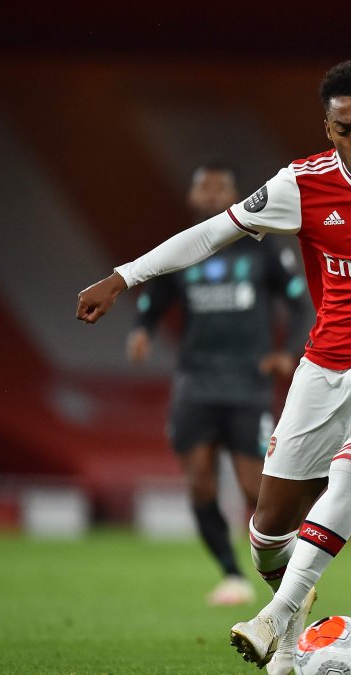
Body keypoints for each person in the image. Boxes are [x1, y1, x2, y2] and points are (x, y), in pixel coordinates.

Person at [76, 60, 351, 675]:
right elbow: (209, 235)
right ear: (328, 129)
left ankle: (276, 616)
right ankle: (292, 614)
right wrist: (124, 277)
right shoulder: (300, 185)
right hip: (327, 365)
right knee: (267, 533)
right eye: (343, 130)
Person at [127, 160, 311, 607]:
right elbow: (154, 296)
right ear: (192, 197)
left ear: (234, 194)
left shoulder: (262, 248)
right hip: (195, 381)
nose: (211, 195)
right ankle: (232, 575)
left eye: (220, 187)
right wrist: (143, 329)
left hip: (248, 382)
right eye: (203, 187)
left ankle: (292, 574)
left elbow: (300, 303)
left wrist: (288, 352)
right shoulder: (183, 251)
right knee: (201, 485)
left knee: (257, 491)